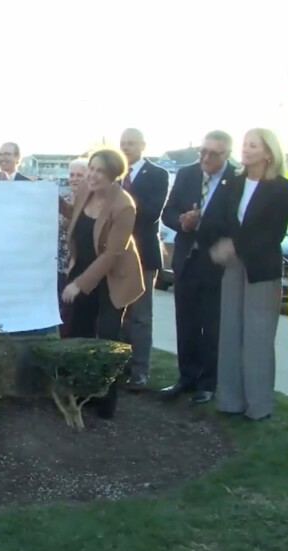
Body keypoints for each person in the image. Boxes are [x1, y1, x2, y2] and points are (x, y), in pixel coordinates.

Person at [208, 128, 288, 421]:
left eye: (253, 145)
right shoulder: (234, 183)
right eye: (245, 144)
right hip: (233, 266)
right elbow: (222, 219)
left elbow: (280, 225)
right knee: (230, 332)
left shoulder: (280, 187)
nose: (246, 149)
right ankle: (230, 401)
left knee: (257, 338)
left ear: (267, 152)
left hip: (262, 268)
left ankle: (259, 406)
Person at [60, 148, 145, 418]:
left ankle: (106, 401)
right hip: (83, 266)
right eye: (91, 169)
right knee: (79, 331)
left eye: (100, 172)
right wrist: (51, 201)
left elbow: (112, 254)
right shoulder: (85, 188)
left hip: (112, 276)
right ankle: (82, 391)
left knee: (107, 338)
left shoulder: (124, 206)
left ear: (114, 176)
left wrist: (79, 284)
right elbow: (77, 216)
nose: (93, 176)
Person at [159, 130, 236, 405]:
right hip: (186, 261)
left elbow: (235, 223)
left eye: (213, 153)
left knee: (211, 326)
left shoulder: (235, 180)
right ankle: (186, 377)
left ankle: (208, 382)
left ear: (226, 154)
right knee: (186, 322)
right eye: (202, 151)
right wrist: (182, 221)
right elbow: (166, 213)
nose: (204, 157)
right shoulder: (187, 174)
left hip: (214, 263)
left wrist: (200, 222)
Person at [118, 128, 170, 391]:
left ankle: (140, 370)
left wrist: (121, 205)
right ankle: (120, 365)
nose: (126, 147)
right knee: (119, 314)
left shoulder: (158, 175)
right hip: (114, 254)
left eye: (131, 143)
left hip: (143, 255)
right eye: (123, 143)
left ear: (142, 145)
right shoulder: (113, 174)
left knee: (140, 315)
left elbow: (150, 212)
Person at [58, 158, 88, 335]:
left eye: (80, 175)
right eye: (72, 175)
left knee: (76, 316)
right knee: (62, 314)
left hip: (79, 266)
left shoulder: (91, 203)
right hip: (58, 265)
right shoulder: (63, 200)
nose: (75, 178)